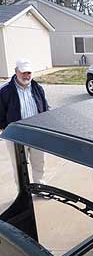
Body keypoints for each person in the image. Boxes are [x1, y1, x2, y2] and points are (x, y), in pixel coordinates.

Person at [0, 58, 49, 186]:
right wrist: (7, 130)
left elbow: (44, 108)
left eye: (29, 73)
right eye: (23, 72)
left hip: (37, 132)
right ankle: (22, 192)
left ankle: (40, 186)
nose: (26, 76)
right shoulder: (5, 91)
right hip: (16, 135)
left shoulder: (37, 88)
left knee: (39, 162)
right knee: (19, 166)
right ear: (16, 71)